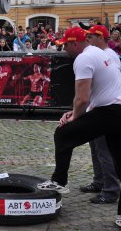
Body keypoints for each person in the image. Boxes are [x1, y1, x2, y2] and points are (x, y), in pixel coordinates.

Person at [36, 27, 121, 227]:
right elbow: (99, 93)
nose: (64, 49)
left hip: (109, 111)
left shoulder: (83, 59)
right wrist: (74, 113)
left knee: (63, 134)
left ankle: (59, 181)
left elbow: (81, 98)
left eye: (65, 45)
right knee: (119, 161)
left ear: (75, 43)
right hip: (116, 109)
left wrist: (74, 116)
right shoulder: (98, 52)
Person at [79, 25, 121, 204]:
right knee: (96, 148)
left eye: (91, 36)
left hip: (106, 109)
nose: (88, 40)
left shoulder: (110, 56)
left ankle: (110, 190)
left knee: (104, 151)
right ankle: (99, 181)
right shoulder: (101, 54)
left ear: (101, 38)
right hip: (96, 107)